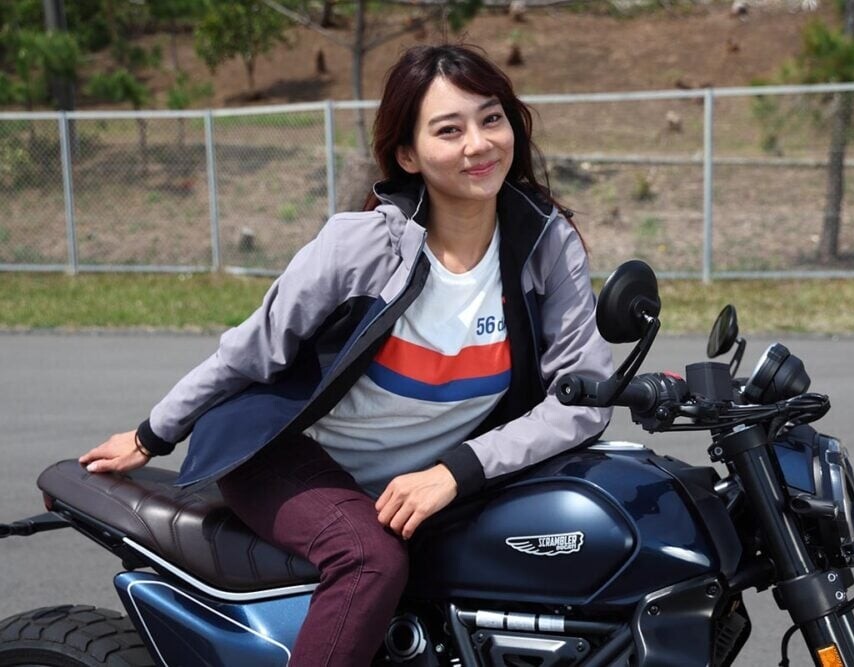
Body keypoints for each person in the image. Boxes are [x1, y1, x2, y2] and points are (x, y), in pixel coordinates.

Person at [79, 44, 613, 666]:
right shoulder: (359, 247)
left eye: (491, 119)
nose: (479, 144)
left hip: (426, 479)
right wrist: (151, 434)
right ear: (408, 154)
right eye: (449, 129)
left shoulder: (546, 243)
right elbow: (249, 352)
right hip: (286, 456)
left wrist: (458, 470)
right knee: (369, 560)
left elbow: (582, 397)